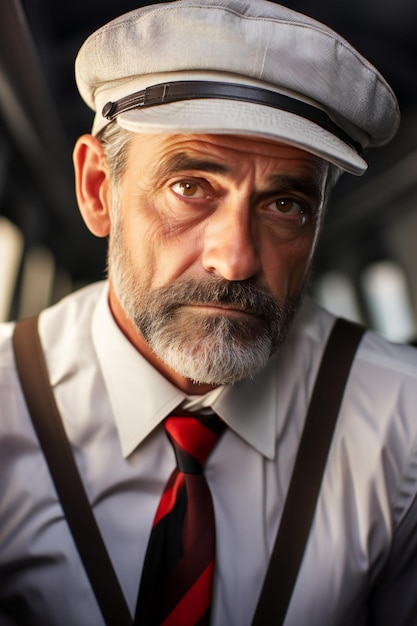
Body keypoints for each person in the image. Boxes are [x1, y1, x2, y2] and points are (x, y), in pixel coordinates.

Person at [1, 1, 416, 624]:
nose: (236, 259)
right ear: (97, 190)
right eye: (190, 187)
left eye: (285, 205)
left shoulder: (401, 423)